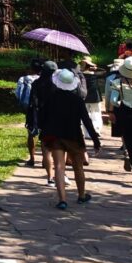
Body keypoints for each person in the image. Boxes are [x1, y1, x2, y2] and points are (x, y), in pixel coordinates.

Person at [39, 68, 102, 209]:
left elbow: (42, 118)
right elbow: (86, 121)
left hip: (55, 136)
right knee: (78, 167)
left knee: (59, 167)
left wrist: (43, 133)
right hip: (74, 136)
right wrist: (95, 140)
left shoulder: (51, 98)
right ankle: (81, 195)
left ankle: (62, 200)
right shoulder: (77, 100)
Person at [106, 55, 132, 183]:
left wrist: (110, 112)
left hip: (126, 116)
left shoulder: (118, 83)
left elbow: (114, 101)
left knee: (130, 144)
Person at [29, 61, 58, 184]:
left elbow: (33, 101)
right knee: (58, 147)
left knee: (46, 148)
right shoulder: (57, 83)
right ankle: (60, 174)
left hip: (41, 116)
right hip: (56, 117)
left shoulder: (36, 83)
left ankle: (50, 177)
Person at [15, 59, 43, 167]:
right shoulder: (45, 79)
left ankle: (32, 158)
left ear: (31, 68)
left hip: (30, 109)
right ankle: (45, 160)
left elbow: (18, 94)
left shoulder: (23, 79)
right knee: (44, 134)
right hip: (43, 109)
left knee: (31, 133)